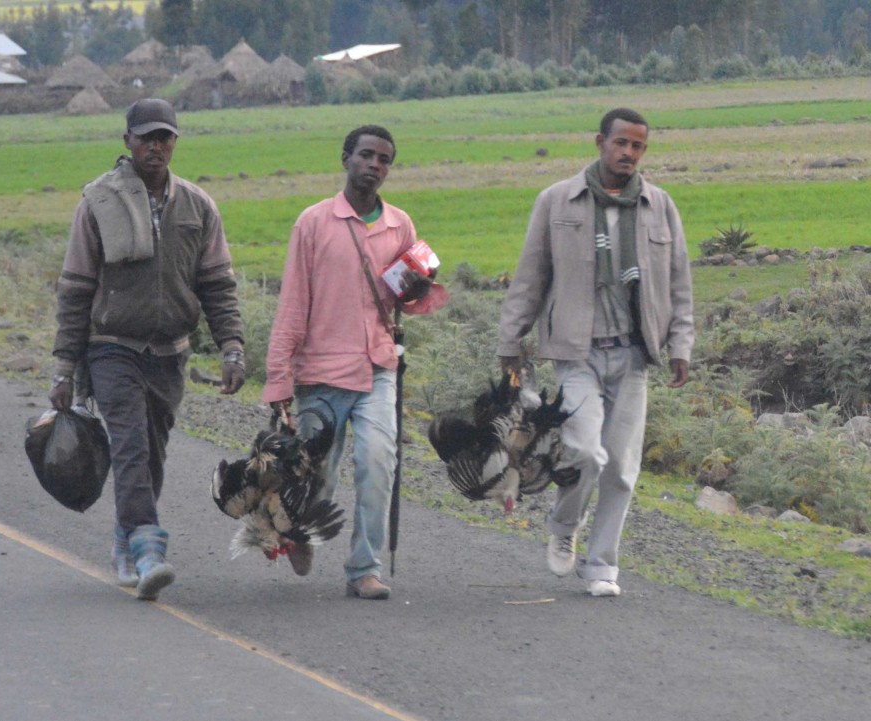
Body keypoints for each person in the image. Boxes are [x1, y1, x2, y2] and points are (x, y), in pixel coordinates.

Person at [50, 98, 246, 601]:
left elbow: (218, 285)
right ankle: (148, 547)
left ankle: (124, 539)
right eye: (145, 138)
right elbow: (75, 290)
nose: (155, 146)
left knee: (153, 454)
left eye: (164, 137)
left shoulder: (198, 206)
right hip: (112, 346)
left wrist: (231, 348)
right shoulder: (98, 203)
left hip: (171, 352)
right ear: (127, 142)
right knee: (131, 445)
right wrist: (64, 367)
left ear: (175, 142)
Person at [497, 107, 694, 597]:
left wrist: (680, 344)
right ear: (600, 142)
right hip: (576, 352)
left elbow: (679, 283)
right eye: (621, 143)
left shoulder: (659, 205)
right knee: (585, 451)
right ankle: (564, 526)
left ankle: (602, 565)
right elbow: (530, 277)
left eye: (638, 146)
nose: (629, 153)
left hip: (632, 353)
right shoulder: (557, 201)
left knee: (623, 469)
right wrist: (511, 343)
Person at [263, 125, 448, 600]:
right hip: (319, 372)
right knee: (316, 476)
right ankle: (300, 530)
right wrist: (279, 379)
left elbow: (404, 303)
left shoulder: (400, 224)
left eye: (384, 159)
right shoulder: (313, 223)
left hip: (377, 368)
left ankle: (364, 567)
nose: (374, 165)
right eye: (365, 155)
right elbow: (291, 305)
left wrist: (420, 287)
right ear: (345, 159)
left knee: (378, 461)